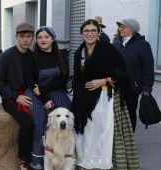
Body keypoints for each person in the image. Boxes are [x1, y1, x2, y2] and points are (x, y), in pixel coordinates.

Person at [72, 19, 140, 170]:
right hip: (85, 99)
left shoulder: (107, 49)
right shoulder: (79, 52)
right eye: (86, 31)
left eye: (93, 31)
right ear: (82, 33)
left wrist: (102, 81)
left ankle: (103, 164)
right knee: (87, 131)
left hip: (105, 98)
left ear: (99, 33)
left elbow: (121, 74)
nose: (89, 34)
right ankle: (87, 162)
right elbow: (77, 79)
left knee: (104, 132)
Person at [23, 26, 71, 169]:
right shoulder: (31, 56)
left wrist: (45, 89)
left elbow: (64, 78)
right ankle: (38, 160)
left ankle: (61, 155)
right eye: (40, 37)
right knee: (39, 119)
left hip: (53, 87)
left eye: (46, 37)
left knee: (65, 111)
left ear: (53, 39)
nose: (43, 40)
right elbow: (29, 79)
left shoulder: (61, 56)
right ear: (36, 40)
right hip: (34, 90)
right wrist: (44, 98)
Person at [0, 22, 35, 170]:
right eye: (22, 36)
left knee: (41, 118)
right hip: (11, 98)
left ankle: (38, 156)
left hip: (29, 95)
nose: (25, 40)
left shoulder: (32, 56)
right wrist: (15, 97)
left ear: (32, 37)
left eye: (28, 36)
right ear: (16, 37)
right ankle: (23, 159)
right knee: (28, 123)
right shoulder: (7, 56)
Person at [114, 17, 154, 132]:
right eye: (120, 26)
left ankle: (129, 140)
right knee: (117, 115)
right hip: (116, 86)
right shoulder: (117, 44)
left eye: (123, 26)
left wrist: (146, 87)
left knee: (130, 114)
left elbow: (148, 67)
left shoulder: (143, 45)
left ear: (132, 29)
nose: (120, 29)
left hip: (132, 87)